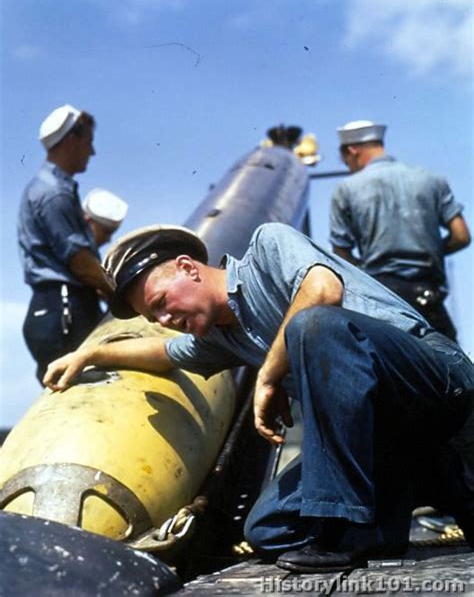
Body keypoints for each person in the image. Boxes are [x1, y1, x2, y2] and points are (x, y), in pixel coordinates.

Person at [43, 223, 474, 573]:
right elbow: (160, 353)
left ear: (188, 268)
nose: (163, 320)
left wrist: (268, 374)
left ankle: (346, 527)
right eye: (152, 316)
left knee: (316, 326)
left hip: (437, 388)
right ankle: (409, 493)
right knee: (268, 527)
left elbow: (323, 291)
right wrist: (89, 353)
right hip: (384, 440)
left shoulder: (267, 247)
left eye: (161, 302)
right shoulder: (219, 337)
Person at [330, 120, 471, 341]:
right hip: (429, 298)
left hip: (380, 299)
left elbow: (341, 254)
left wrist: (365, 267)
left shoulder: (346, 189)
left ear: (352, 150)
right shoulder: (431, 179)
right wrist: (428, 251)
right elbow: (461, 236)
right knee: (449, 368)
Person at [18, 104, 114, 384]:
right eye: (89, 142)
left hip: (55, 309)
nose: (92, 152)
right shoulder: (54, 194)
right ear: (72, 140)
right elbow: (80, 263)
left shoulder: (50, 189)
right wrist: (118, 293)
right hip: (66, 309)